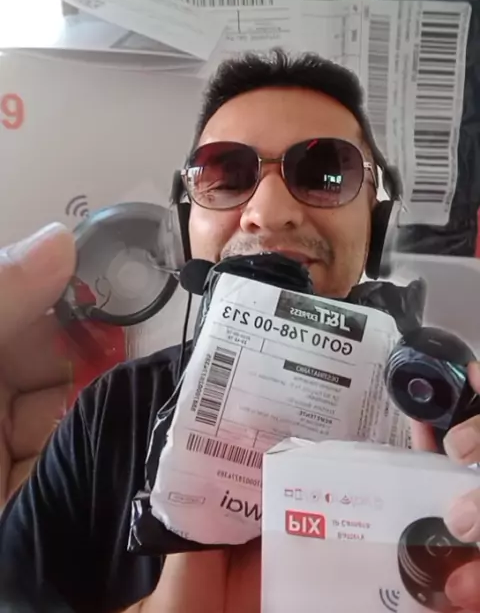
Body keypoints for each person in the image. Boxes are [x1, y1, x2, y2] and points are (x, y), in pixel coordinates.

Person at [1, 48, 480, 613]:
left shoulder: (446, 413)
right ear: (186, 225)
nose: (269, 212)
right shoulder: (114, 408)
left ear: (374, 224)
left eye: (326, 173)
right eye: (225, 176)